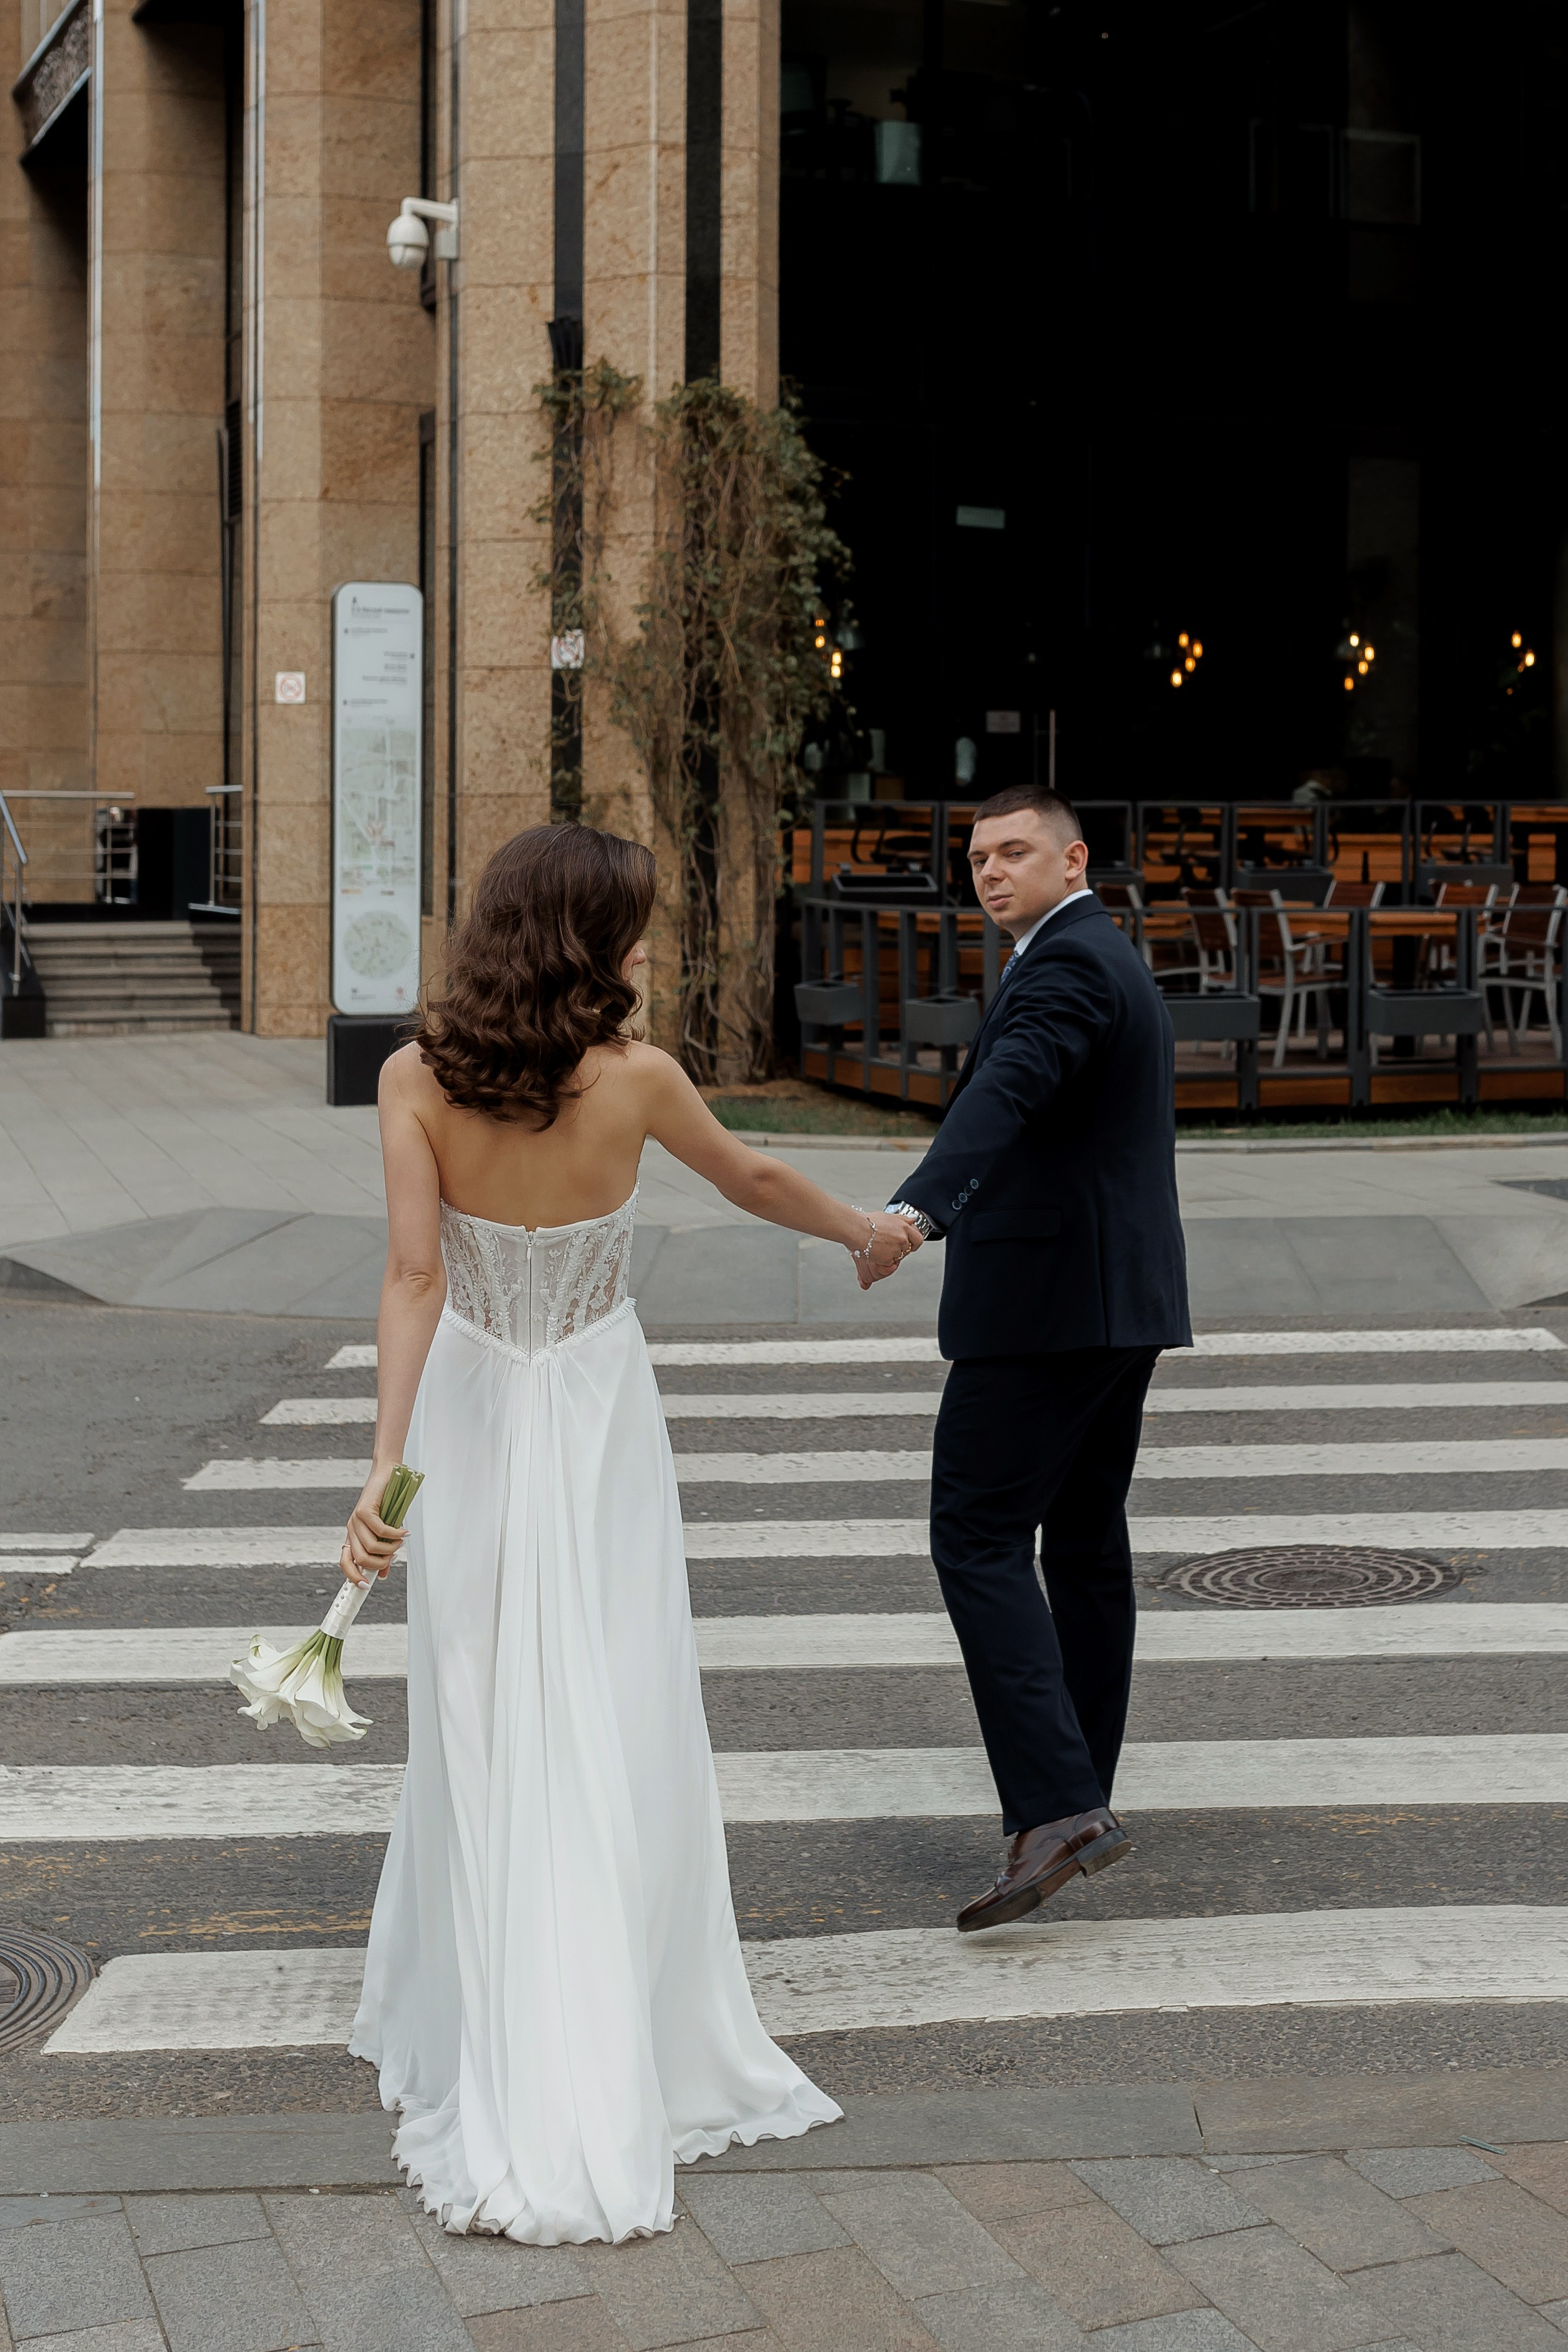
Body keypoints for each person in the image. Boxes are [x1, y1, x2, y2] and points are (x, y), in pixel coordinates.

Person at [340, 823, 920, 2246]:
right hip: (597, 1409)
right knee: (613, 1696)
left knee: (480, 1707)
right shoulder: (642, 1080)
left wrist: (385, 1472)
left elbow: (416, 1276)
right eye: (637, 925)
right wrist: (871, 1228)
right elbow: (756, 1183)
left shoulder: (413, 1076)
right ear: (582, 937)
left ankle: (495, 2015)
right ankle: (621, 2020)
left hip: (473, 1406)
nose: (653, 946)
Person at [874, 784, 1190, 1933]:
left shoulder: (1061, 965)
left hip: (1047, 1310)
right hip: (1114, 1302)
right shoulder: (1101, 953)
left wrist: (916, 1211)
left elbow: (1003, 1097)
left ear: (1075, 859)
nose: (991, 872)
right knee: (1087, 1540)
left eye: (1014, 852)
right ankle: (1079, 1793)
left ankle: (1058, 1806)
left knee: (976, 1531)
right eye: (977, 857)